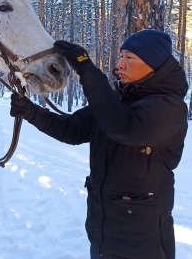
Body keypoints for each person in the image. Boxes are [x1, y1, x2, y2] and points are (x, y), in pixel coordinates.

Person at [10, 29, 188, 259]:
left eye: (129, 58)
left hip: (144, 244)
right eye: (121, 56)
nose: (120, 64)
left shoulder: (169, 107)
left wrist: (87, 69)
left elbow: (124, 128)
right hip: (103, 235)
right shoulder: (118, 100)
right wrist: (32, 112)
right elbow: (73, 129)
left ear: (153, 64)